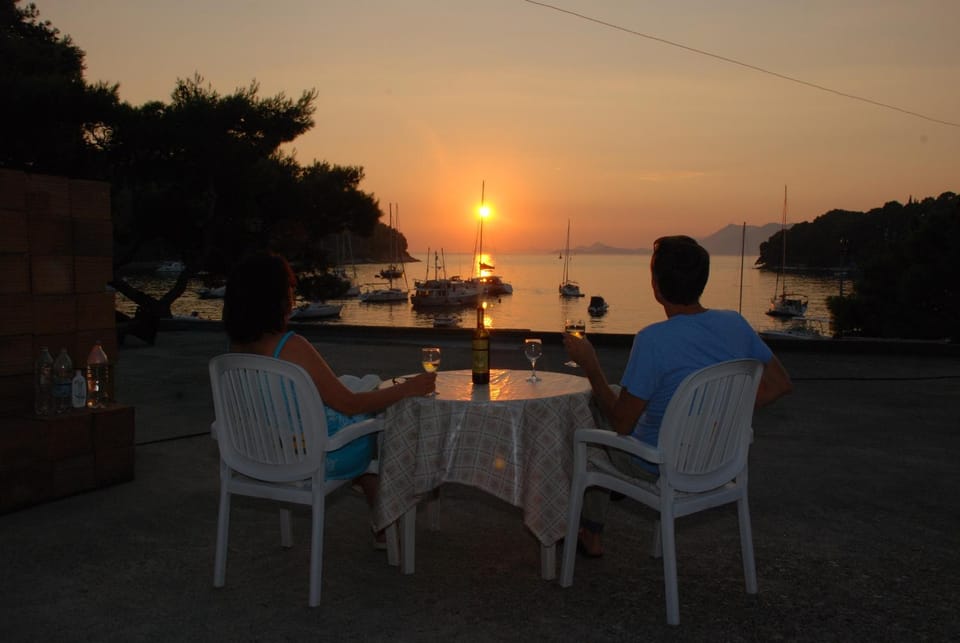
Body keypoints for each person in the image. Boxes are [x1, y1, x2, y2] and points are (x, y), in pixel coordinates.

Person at [563, 235, 793, 557]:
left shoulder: (653, 340)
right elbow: (780, 384)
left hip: (657, 463)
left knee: (589, 414)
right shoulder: (736, 324)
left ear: (656, 286)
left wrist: (591, 365)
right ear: (703, 280)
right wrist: (723, 413)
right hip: (718, 457)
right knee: (615, 394)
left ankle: (592, 533)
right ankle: (596, 522)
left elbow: (622, 424)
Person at [222, 252, 436, 547]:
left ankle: (376, 504)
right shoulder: (292, 347)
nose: (293, 297)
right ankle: (396, 501)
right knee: (377, 423)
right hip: (312, 458)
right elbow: (349, 404)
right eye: (290, 290)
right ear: (275, 299)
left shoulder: (233, 350)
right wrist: (408, 389)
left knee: (361, 404)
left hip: (264, 451)